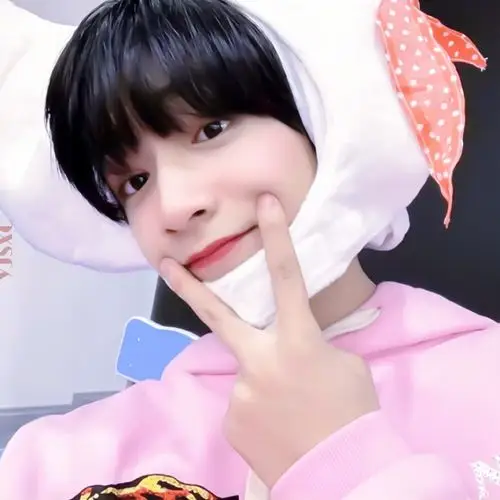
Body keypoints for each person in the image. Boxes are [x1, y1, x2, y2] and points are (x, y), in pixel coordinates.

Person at [0, 0, 498, 498]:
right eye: (135, 182)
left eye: (211, 130)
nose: (174, 206)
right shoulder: (52, 464)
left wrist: (345, 462)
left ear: (315, 120)